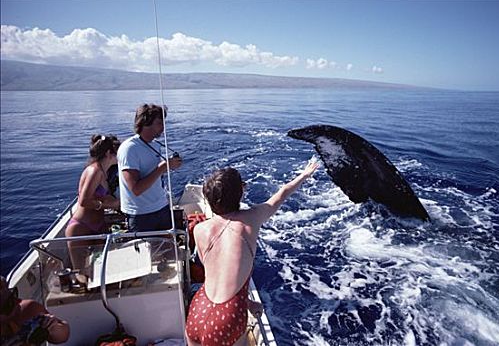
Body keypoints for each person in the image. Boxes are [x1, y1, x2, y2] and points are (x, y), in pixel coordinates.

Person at [185, 161, 319, 346]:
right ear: (240, 193)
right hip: (227, 316)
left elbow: (216, 275)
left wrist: (248, 302)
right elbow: (282, 194)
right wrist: (304, 175)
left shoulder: (200, 229)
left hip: (198, 309)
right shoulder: (251, 218)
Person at [117, 104, 182, 232]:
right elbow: (136, 189)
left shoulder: (154, 145)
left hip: (161, 207)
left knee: (166, 249)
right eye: (159, 123)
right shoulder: (129, 149)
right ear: (146, 123)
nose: (163, 127)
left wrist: (170, 165)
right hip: (141, 215)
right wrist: (163, 167)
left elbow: (154, 174)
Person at [66, 134, 121, 273]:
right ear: (109, 153)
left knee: (101, 271)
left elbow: (99, 196)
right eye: (118, 153)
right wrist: (110, 205)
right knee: (81, 274)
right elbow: (83, 201)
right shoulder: (94, 171)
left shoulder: (104, 172)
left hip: (98, 227)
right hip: (81, 228)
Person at [0, 276, 70, 344]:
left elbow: (63, 336)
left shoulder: (26, 309)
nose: (15, 305)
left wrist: (53, 327)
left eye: (12, 297)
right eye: (7, 306)